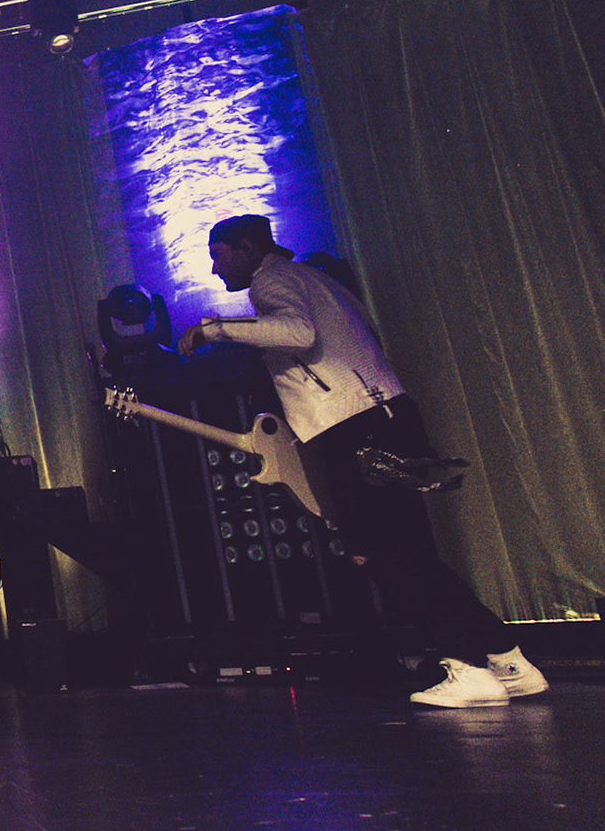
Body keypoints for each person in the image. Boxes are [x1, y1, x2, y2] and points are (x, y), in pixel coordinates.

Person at [176, 215, 548, 708]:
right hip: (384, 412)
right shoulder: (318, 279)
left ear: (247, 247)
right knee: (411, 552)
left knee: (383, 555)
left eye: (219, 255)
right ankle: (507, 660)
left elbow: (297, 332)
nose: (214, 268)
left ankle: (467, 666)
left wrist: (213, 330)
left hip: (350, 425)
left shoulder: (271, 280)